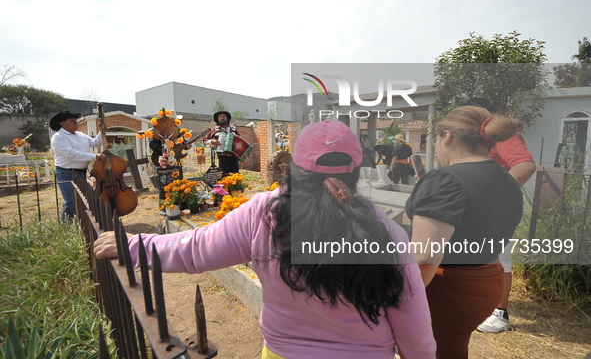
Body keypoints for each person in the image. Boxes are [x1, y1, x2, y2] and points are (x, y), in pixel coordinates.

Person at [95, 120, 436, 359]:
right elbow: (416, 335)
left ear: (295, 168)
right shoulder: (386, 232)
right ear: (356, 170)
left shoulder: (264, 215)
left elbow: (195, 249)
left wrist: (133, 245)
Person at [405, 106, 525, 359]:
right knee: (451, 348)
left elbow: (424, 258)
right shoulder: (505, 178)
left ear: (447, 136)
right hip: (487, 280)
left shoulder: (444, 179)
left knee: (430, 351)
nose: (436, 146)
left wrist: (399, 298)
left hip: (448, 288)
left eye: (435, 139)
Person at [460, 98, 537, 334]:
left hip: (494, 208)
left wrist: (496, 195)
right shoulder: (480, 140)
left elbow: (525, 165)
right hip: (480, 207)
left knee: (499, 259)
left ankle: (500, 314)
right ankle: (484, 304)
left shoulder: (501, 136)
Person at [50, 110, 106, 222]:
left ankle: (80, 222)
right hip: (65, 173)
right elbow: (71, 155)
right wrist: (95, 156)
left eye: (76, 120)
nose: (76, 123)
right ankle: (67, 225)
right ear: (62, 123)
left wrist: (101, 131)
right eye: (72, 121)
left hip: (81, 172)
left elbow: (96, 143)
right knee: (71, 200)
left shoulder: (81, 135)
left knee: (82, 199)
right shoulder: (58, 137)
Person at [204, 111, 240, 176]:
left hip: (234, 157)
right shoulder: (214, 129)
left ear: (227, 118)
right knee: (223, 176)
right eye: (220, 117)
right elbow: (205, 140)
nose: (222, 118)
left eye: (224, 117)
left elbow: (240, 141)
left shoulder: (234, 129)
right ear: (217, 119)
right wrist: (212, 141)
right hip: (222, 157)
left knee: (235, 176)